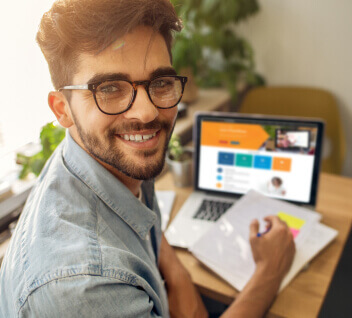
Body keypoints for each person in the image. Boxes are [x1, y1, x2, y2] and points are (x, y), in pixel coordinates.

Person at [0, 0, 295, 317]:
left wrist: (179, 277)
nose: (147, 112)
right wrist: (269, 272)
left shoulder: (106, 163)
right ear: (63, 110)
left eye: (161, 82)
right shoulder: (81, 288)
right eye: (110, 88)